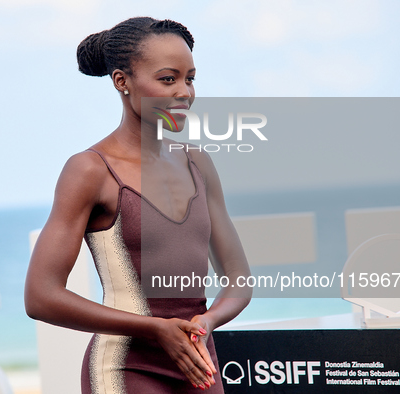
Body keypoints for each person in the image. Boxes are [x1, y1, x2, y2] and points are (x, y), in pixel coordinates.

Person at [24, 17, 251, 393]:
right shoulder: (90, 170)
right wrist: (156, 328)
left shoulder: (198, 163)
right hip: (126, 369)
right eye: (167, 79)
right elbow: (41, 295)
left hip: (198, 363)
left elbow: (239, 280)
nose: (184, 92)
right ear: (121, 81)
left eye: (190, 78)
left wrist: (205, 323)